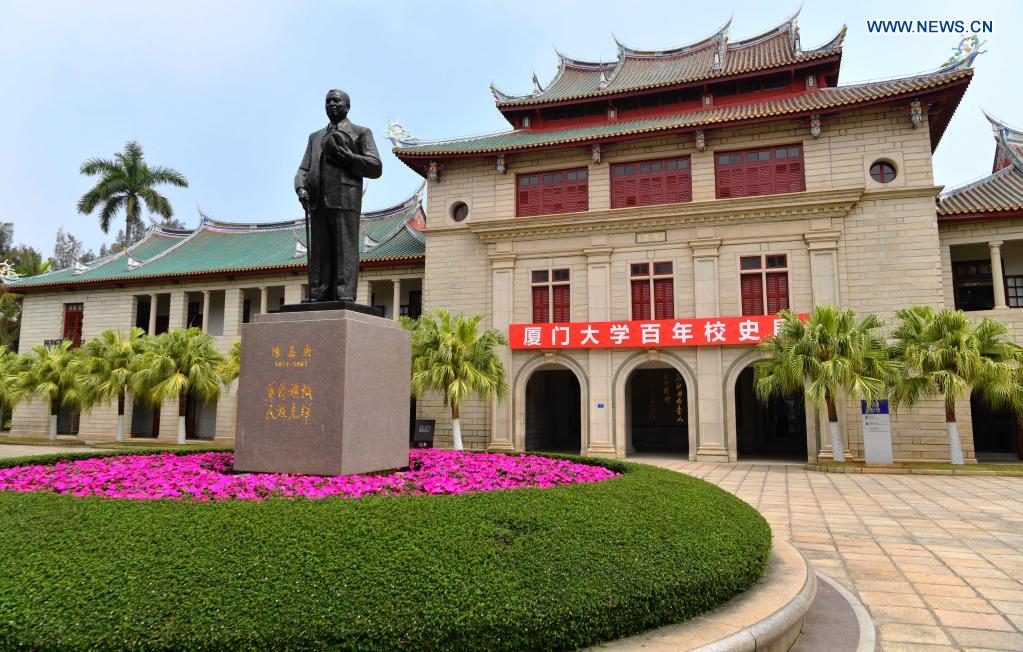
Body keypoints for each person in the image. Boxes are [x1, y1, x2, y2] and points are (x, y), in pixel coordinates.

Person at [295, 89, 382, 302]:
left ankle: (344, 294)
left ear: (347, 106)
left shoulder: (361, 133)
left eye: (336, 101)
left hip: (345, 197)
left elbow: (376, 167)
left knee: (345, 247)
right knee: (320, 249)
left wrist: (351, 158)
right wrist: (301, 188)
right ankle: (318, 292)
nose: (331, 105)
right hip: (316, 200)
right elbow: (303, 169)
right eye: (327, 102)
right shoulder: (314, 138)